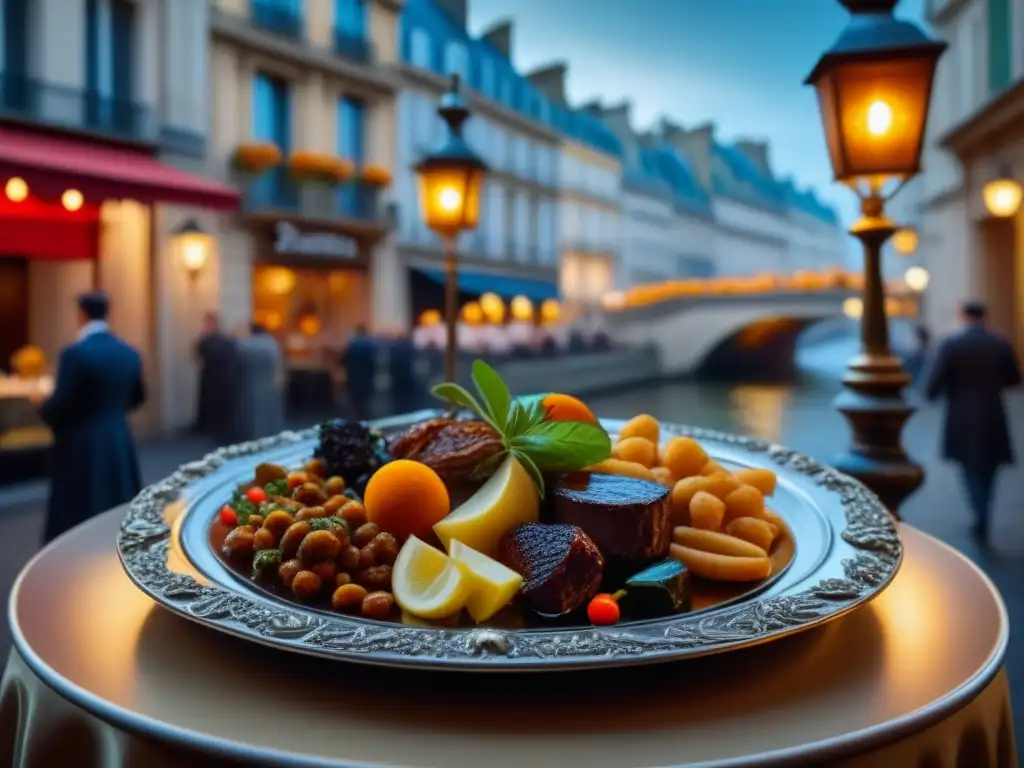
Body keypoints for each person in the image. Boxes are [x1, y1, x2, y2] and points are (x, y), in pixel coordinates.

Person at [32, 291, 145, 543]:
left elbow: (60, 404)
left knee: (80, 509)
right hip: (119, 436)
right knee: (118, 500)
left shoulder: (75, 353)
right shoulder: (129, 352)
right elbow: (138, 398)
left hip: (82, 441)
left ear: (80, 314)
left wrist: (42, 404)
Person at [925, 300, 1022, 540]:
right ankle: (984, 511)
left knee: (969, 468)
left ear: (962, 315)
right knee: (990, 468)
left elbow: (933, 386)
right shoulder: (1000, 343)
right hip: (993, 412)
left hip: (961, 415)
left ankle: (978, 513)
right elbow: (1014, 379)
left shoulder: (953, 344)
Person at [233, 322, 285, 441]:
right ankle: (271, 435)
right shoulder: (272, 344)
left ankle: (253, 437)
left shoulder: (244, 344)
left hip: (249, 381)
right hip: (268, 382)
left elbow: (236, 363)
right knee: (269, 411)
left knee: (250, 411)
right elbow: (277, 364)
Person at [194, 311, 236, 443]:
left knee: (213, 403)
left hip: (214, 377)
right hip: (219, 378)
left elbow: (200, 354)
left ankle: (212, 428)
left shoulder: (212, 340)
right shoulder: (225, 340)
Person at [342, 324, 376, 421]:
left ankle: (356, 421)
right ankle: (366, 421)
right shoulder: (370, 345)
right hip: (367, 378)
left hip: (354, 378)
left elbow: (344, 361)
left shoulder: (352, 345)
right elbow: (373, 362)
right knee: (366, 403)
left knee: (355, 403)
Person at [388, 329, 419, 415]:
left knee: (398, 403)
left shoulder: (394, 347)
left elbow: (391, 363)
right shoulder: (409, 346)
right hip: (408, 378)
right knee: (408, 402)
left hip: (397, 378)